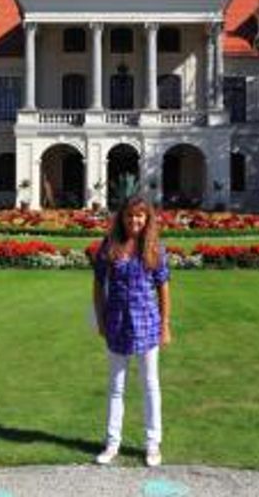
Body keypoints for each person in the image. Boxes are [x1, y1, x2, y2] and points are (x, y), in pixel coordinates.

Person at [91, 195, 172, 467]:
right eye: (129, 215)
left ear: (147, 218)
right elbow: (98, 283)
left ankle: (153, 445)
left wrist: (165, 325)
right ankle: (112, 443)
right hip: (117, 322)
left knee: (150, 385)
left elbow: (163, 287)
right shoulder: (110, 244)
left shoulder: (155, 248)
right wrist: (100, 319)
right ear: (121, 218)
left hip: (148, 322)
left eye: (139, 215)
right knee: (116, 387)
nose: (134, 220)